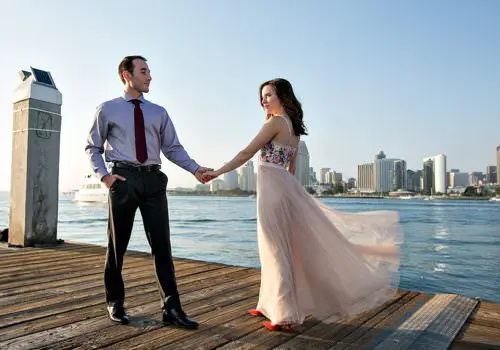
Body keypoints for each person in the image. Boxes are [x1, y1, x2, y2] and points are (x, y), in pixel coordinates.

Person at [203, 78, 402, 331]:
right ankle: (269, 304)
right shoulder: (293, 129)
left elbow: (246, 153)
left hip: (274, 191)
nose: (263, 100)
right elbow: (291, 168)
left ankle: (284, 315)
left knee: (276, 250)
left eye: (268, 95)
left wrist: (217, 172)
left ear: (283, 97)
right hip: (283, 187)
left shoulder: (275, 122)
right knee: (278, 247)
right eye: (262, 97)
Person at [85, 55, 211, 329]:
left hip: (154, 180)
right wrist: (105, 177)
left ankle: (172, 308)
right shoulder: (107, 109)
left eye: (149, 71)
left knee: (162, 247)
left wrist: (196, 169)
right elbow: (92, 147)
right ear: (125, 75)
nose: (150, 76)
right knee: (117, 246)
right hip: (124, 179)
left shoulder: (159, 112)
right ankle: (115, 302)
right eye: (144, 71)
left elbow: (173, 148)